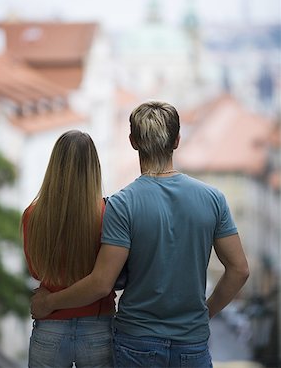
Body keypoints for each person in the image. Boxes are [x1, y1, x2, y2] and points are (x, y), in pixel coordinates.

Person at [31, 101, 249, 368]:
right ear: (177, 140)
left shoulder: (123, 204)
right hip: (192, 343)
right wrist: (206, 314)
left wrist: (48, 302)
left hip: (137, 341)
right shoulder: (213, 198)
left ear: (133, 141)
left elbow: (101, 283)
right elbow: (239, 270)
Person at [21, 130, 115, 368]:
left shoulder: (33, 215)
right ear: (94, 167)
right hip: (98, 326)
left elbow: (36, 271)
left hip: (49, 327)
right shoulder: (109, 215)